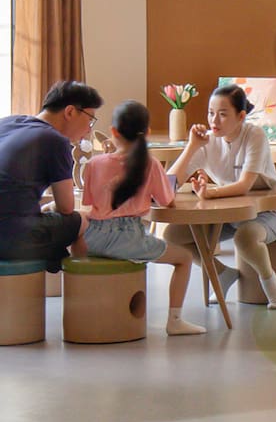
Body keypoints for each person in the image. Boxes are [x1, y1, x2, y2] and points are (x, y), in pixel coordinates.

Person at [81, 100, 203, 335]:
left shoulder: (95, 163)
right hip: (129, 240)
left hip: (92, 238)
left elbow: (90, 203)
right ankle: (175, 321)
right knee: (184, 258)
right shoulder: (151, 164)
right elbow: (167, 200)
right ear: (147, 133)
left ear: (113, 132)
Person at [168, 84, 276, 308]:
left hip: (268, 213)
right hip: (229, 214)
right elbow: (168, 184)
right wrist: (191, 147)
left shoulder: (255, 135)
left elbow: (244, 184)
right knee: (172, 235)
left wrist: (210, 193)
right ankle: (221, 273)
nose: (214, 121)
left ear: (241, 116)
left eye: (223, 114)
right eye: (210, 113)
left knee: (244, 238)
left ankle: (272, 286)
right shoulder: (206, 140)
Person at [0, 80, 103, 273]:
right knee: (86, 220)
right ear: (70, 112)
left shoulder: (8, 123)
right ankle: (83, 294)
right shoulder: (55, 140)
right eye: (90, 120)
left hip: (8, 227)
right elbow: (66, 207)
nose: (89, 129)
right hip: (10, 237)